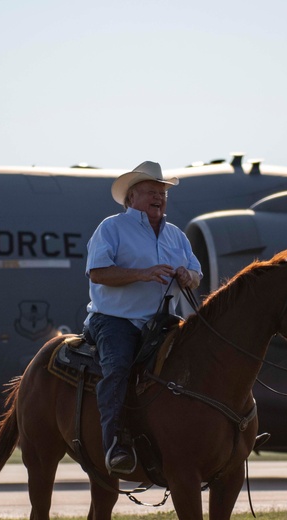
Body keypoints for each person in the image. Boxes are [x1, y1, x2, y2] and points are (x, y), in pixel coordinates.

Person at [83, 161, 203, 475]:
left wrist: (187, 276)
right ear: (131, 197)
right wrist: (142, 273)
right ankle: (115, 445)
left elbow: (196, 275)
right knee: (118, 368)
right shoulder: (111, 228)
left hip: (163, 321)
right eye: (151, 191)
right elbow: (98, 273)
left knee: (201, 361)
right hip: (115, 319)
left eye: (162, 193)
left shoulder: (176, 235)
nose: (159, 197)